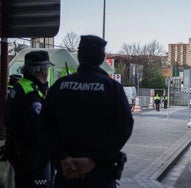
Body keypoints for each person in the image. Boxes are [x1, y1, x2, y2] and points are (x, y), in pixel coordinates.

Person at [38, 35, 134, 188]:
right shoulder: (112, 88)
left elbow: (44, 127)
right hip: (100, 176)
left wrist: (63, 158)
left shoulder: (60, 86)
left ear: (79, 56)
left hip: (67, 173)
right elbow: (124, 127)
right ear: (102, 58)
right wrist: (93, 160)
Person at [4, 50, 54, 188]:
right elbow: (39, 130)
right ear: (41, 70)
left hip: (19, 152)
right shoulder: (30, 94)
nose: (47, 72)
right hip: (32, 158)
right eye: (46, 68)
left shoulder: (21, 85)